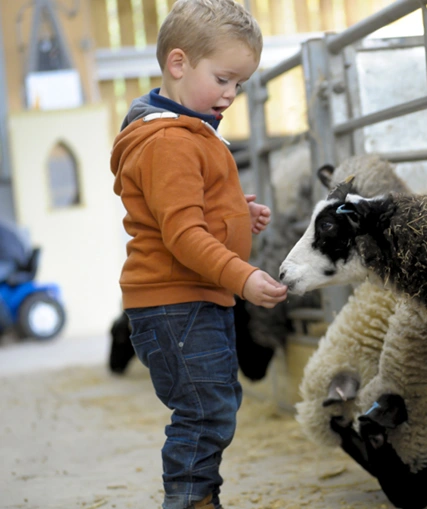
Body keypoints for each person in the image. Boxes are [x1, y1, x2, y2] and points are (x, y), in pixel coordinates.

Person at [109, 1, 287, 507]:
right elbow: (182, 235)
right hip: (176, 303)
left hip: (188, 299)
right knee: (204, 409)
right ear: (179, 64)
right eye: (224, 79)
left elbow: (185, 214)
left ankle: (197, 495)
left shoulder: (186, 132)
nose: (231, 95)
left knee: (215, 404)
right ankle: (190, 500)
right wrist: (244, 276)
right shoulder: (169, 141)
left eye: (240, 84)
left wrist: (234, 213)